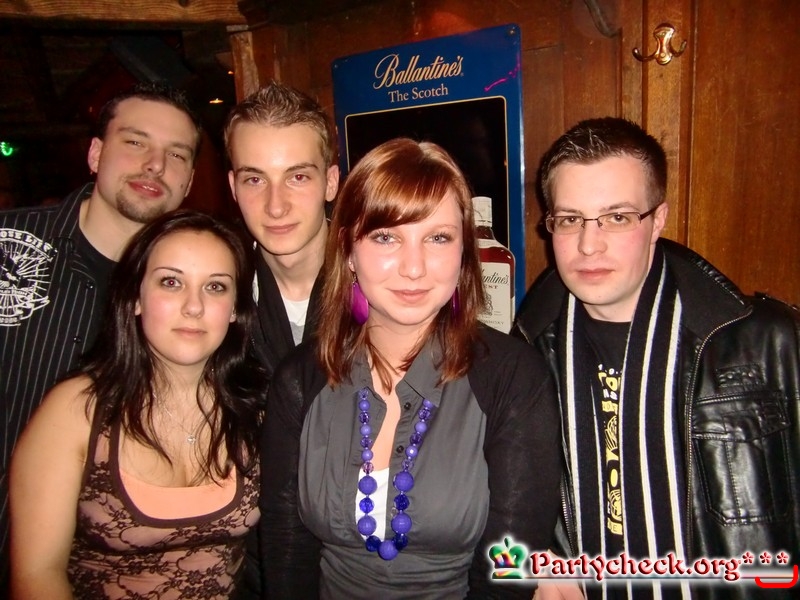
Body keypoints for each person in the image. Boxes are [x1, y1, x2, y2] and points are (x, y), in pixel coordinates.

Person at [259, 137, 562, 599]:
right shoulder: (300, 379)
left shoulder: (514, 379)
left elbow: (508, 569)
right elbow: (287, 551)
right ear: (348, 248)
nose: (414, 267)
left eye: (438, 238)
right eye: (386, 237)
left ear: (464, 252)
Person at [512, 117, 800, 599]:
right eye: (570, 219)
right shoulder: (524, 353)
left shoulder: (769, 342)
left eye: (617, 217)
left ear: (658, 219)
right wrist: (535, 557)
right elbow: (504, 496)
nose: (589, 244)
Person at [0, 82, 202, 588]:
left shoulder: (192, 296)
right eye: (135, 142)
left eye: (176, 154)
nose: (155, 165)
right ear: (95, 154)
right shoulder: (8, 247)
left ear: (189, 181)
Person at [9, 210, 266, 598]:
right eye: (171, 282)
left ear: (234, 309)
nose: (193, 306)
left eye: (215, 287)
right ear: (135, 298)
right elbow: (37, 575)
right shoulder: (77, 410)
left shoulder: (254, 407)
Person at [224, 80, 340, 376]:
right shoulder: (217, 294)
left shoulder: (380, 285)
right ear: (234, 187)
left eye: (297, 177)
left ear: (330, 183)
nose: (276, 207)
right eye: (255, 180)